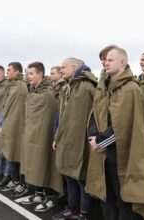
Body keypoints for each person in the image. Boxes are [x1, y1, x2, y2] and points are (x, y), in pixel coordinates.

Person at [86, 47, 144, 220]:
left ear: (122, 62)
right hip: (103, 153)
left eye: (110, 60)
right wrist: (93, 136)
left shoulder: (130, 89)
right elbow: (94, 113)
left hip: (120, 154)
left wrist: (101, 142)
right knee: (106, 196)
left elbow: (124, 125)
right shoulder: (104, 86)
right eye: (104, 60)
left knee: (124, 198)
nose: (105, 63)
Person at [52, 58, 97, 220]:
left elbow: (92, 117)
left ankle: (84, 213)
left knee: (81, 177)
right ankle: (72, 208)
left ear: (75, 67)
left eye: (64, 67)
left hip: (81, 140)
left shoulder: (85, 87)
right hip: (66, 138)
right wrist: (57, 137)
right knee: (69, 175)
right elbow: (62, 116)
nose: (61, 70)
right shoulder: (68, 87)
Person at [19, 62, 63, 212]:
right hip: (32, 136)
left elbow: (49, 119)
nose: (28, 76)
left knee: (45, 164)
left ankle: (50, 197)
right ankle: (39, 193)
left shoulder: (47, 95)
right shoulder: (34, 92)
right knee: (34, 165)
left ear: (40, 74)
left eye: (31, 73)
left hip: (44, 137)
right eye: (27, 73)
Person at [0, 62, 28, 198]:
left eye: (9, 70)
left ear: (17, 72)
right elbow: (6, 107)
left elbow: (21, 109)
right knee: (11, 155)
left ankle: (22, 183)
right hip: (9, 125)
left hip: (18, 126)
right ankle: (15, 180)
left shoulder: (21, 86)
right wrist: (3, 125)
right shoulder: (11, 86)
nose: (7, 72)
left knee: (18, 155)